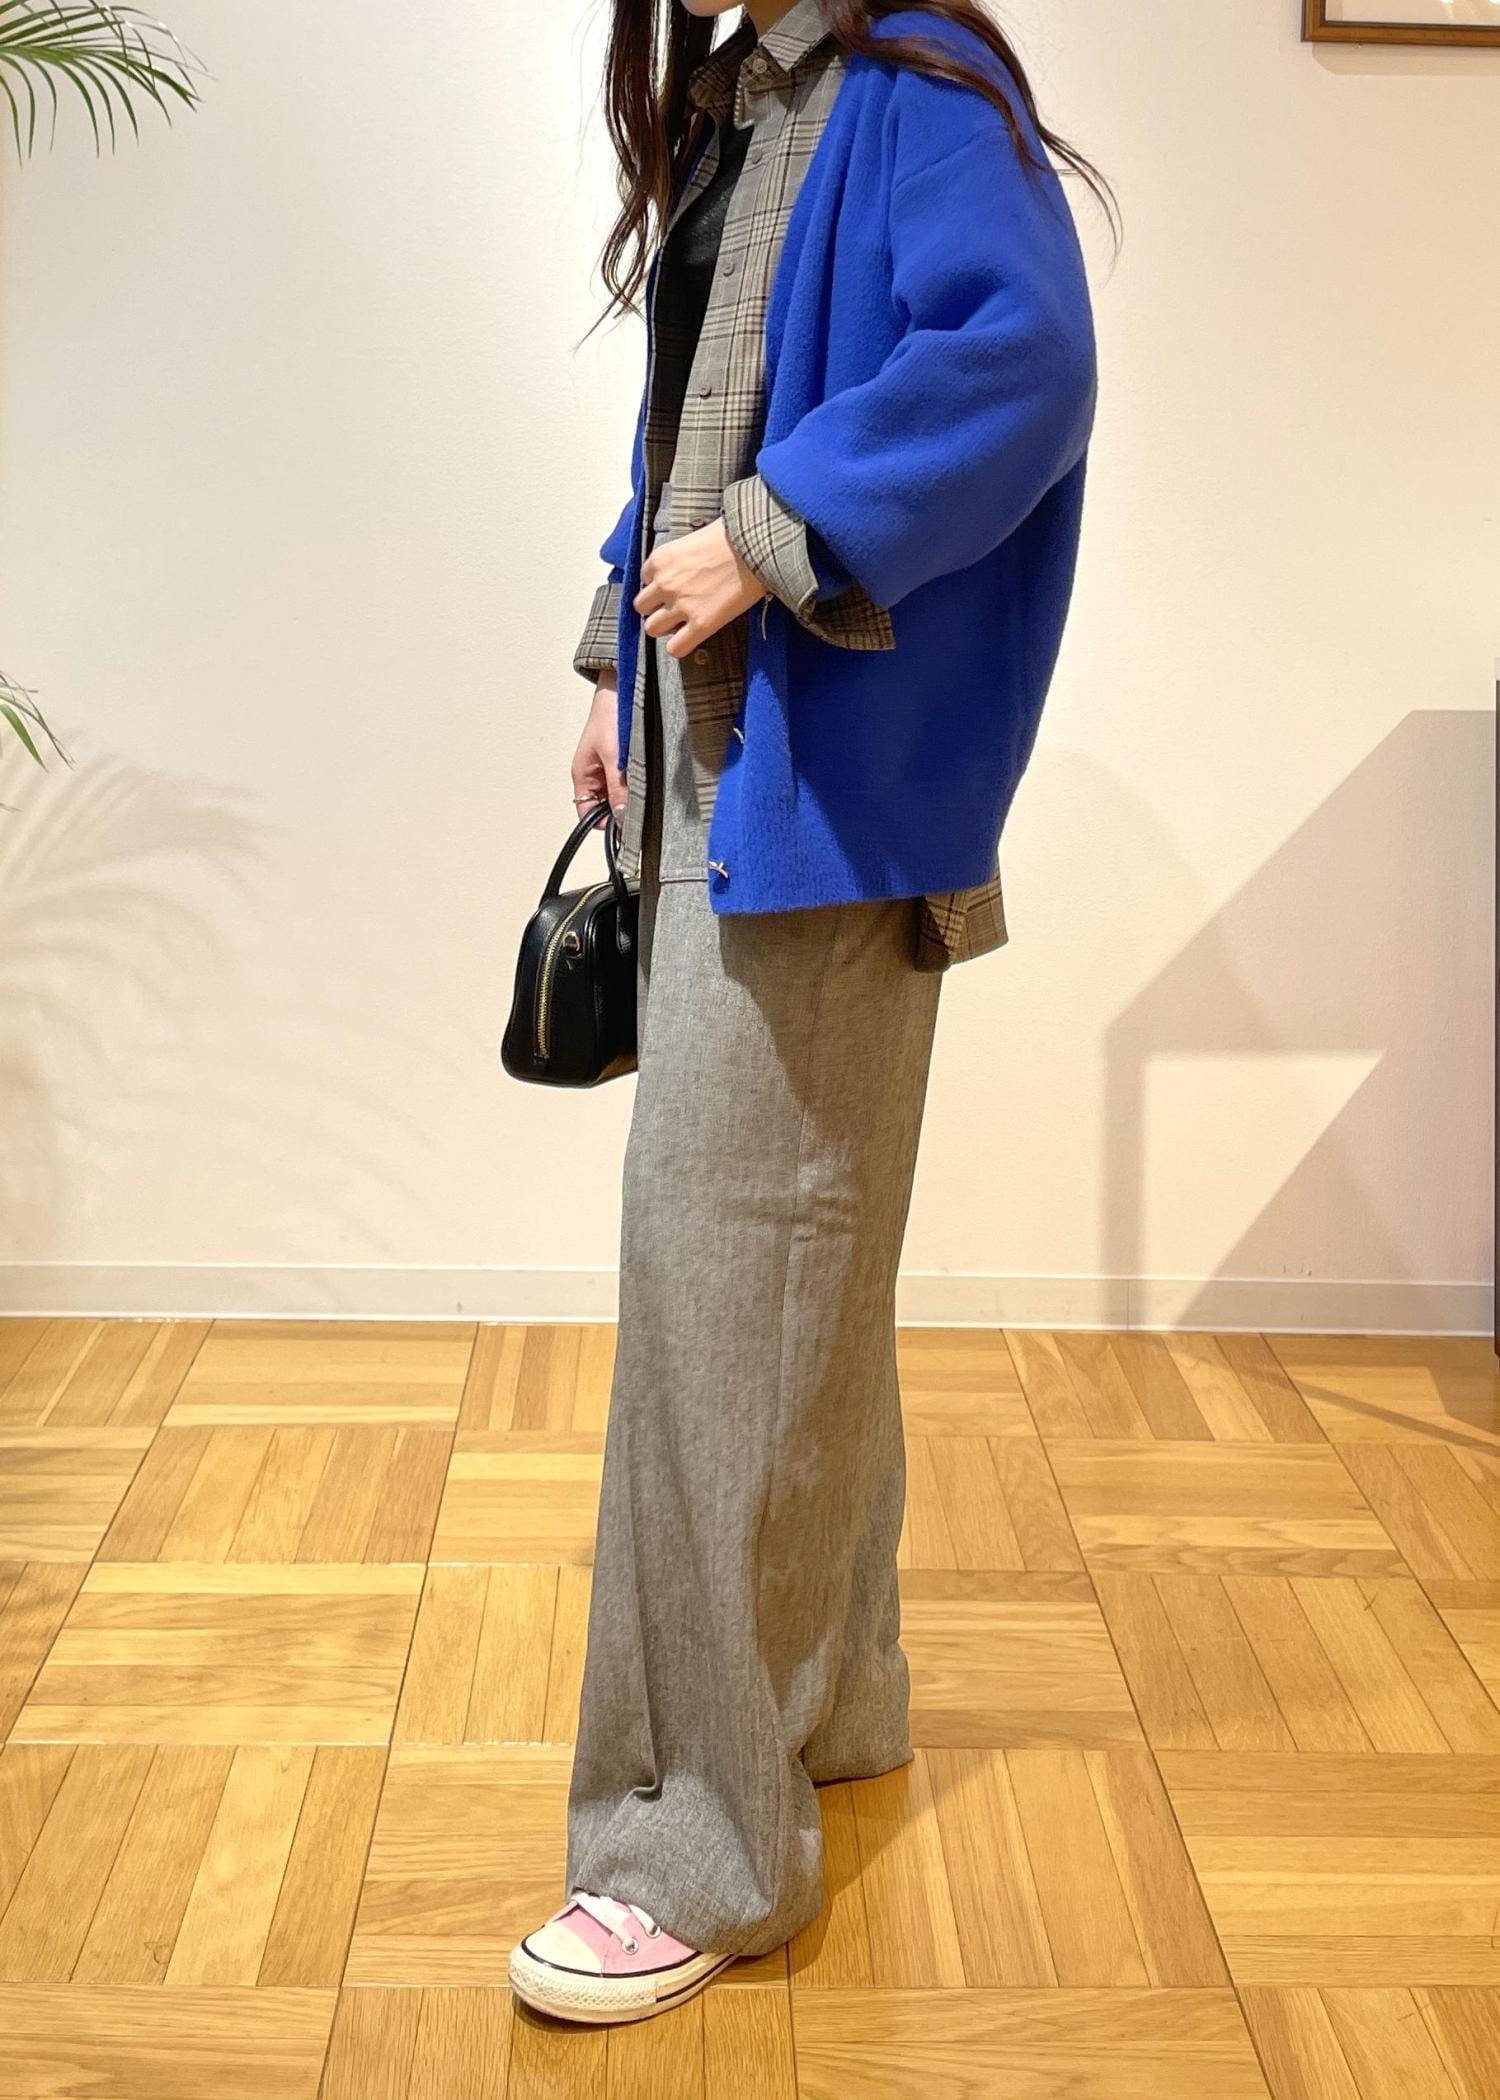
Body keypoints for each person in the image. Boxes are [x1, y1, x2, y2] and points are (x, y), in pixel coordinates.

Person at [508, 0, 1108, 2026]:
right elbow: (699, 410)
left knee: (727, 1292)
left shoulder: (918, 93)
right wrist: (621, 652)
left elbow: (1022, 365)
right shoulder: (746, 100)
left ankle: (694, 1849)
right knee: (789, 1280)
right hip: (722, 767)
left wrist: (764, 547)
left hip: (827, 795)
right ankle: (830, 1701)